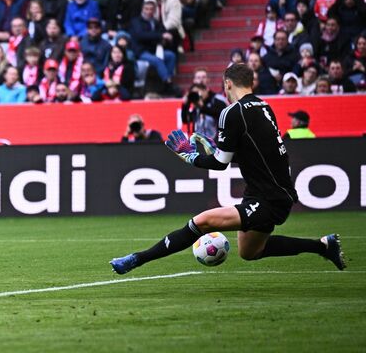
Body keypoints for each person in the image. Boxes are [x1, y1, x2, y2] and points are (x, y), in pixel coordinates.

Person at [110, 64, 345, 275]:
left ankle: (136, 259)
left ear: (228, 83)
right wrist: (220, 149)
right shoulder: (265, 107)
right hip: (267, 192)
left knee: (201, 222)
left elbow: (220, 164)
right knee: (250, 251)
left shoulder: (231, 112)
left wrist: (190, 157)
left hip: (269, 197)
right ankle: (324, 246)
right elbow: (253, 153)